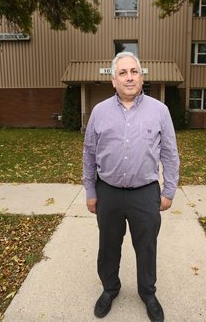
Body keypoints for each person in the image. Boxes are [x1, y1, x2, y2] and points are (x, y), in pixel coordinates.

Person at [82, 51, 180, 322]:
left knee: (146, 247)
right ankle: (110, 289)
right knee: (108, 246)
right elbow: (89, 154)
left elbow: (170, 154)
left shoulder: (160, 111)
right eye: (122, 73)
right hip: (108, 193)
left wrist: (168, 190)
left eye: (133, 71)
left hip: (145, 193)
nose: (128, 77)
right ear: (113, 80)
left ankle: (148, 293)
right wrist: (91, 191)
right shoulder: (99, 112)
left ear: (142, 77)